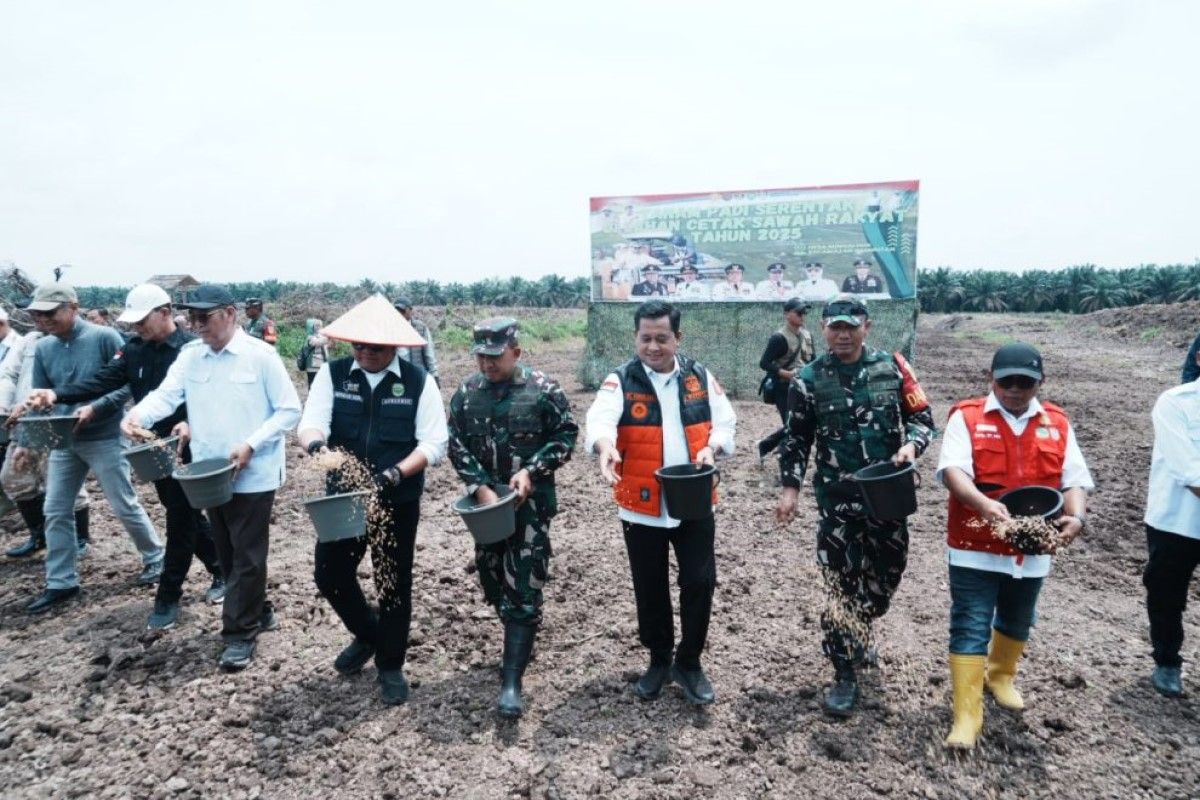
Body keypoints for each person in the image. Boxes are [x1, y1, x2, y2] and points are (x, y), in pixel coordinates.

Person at [25, 284, 227, 630]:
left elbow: (213, 395)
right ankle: (221, 571)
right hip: (152, 445)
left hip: (192, 445)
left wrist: (189, 422)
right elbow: (101, 381)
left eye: (142, 321)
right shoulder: (134, 350)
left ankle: (167, 596)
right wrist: (56, 394)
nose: (137, 329)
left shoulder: (191, 351)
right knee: (183, 513)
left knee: (180, 519)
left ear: (165, 313)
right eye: (132, 323)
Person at [123, 284, 301, 670]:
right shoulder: (191, 357)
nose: (197, 324)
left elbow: (289, 411)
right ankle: (260, 608)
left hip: (254, 471)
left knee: (248, 554)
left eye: (205, 317)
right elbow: (166, 395)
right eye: (193, 317)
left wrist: (252, 445)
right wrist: (138, 416)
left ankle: (239, 634)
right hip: (207, 471)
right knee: (227, 550)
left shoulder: (261, 356)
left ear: (230, 315)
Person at [775, 297, 936, 717]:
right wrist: (790, 490)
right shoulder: (808, 379)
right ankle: (843, 672)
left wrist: (911, 445)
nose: (842, 334)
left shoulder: (895, 367)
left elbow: (923, 419)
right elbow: (795, 440)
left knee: (885, 581)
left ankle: (863, 625)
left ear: (867, 326)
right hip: (838, 501)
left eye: (851, 326)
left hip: (888, 496)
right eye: (834, 327)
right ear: (825, 329)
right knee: (839, 586)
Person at [936, 342, 1092, 749]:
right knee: (970, 621)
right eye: (1007, 382)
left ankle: (1000, 675)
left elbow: (1074, 479)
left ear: (1040, 382)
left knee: (1019, 616)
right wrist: (985, 506)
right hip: (975, 541)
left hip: (1034, 548)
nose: (1016, 390)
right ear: (992, 379)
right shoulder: (967, 417)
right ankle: (967, 714)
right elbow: (953, 470)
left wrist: (1074, 517)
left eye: (1026, 382)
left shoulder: (1056, 422)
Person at [298, 294, 448, 705]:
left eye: (374, 348)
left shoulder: (419, 383)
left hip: (396, 498)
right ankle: (369, 634)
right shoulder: (334, 375)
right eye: (357, 346)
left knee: (393, 582)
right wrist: (317, 450)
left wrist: (396, 473)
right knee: (330, 574)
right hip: (344, 498)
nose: (364, 354)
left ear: (396, 347)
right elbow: (311, 424)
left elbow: (434, 443)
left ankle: (390, 664)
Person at [586, 300, 737, 706]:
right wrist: (606, 447)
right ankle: (658, 659)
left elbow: (725, 421)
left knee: (699, 581)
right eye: (645, 338)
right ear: (635, 337)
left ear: (677, 338)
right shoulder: (620, 379)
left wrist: (712, 447)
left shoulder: (699, 376)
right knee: (649, 586)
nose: (653, 347)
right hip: (641, 502)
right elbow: (600, 419)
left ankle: (689, 662)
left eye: (661, 338)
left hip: (694, 498)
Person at [446, 317, 578, 718]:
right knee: (491, 575)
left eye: (496, 357)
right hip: (486, 509)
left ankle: (511, 681)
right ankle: (516, 626)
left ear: (516, 352)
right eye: (481, 357)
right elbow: (454, 444)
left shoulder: (543, 390)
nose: (488, 364)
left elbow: (566, 435)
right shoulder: (466, 394)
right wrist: (480, 485)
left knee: (523, 583)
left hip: (530, 507)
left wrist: (532, 471)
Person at [16, 283, 164, 614]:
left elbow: (126, 385)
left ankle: (155, 558)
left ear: (73, 307)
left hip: (106, 436)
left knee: (122, 503)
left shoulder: (104, 338)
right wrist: (27, 443)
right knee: (55, 509)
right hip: (64, 441)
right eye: (38, 314)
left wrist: (95, 408)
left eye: (50, 312)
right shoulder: (44, 349)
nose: (44, 319)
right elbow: (41, 398)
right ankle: (61, 581)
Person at [0, 326, 91, 560]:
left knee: (61, 482)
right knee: (13, 478)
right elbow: (9, 375)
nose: (40, 319)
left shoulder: (77, 340)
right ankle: (39, 536)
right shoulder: (28, 341)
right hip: (24, 422)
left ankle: (80, 538)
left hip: (57, 420)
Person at [1142, 371, 1200, 697]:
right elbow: (1188, 469)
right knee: (1166, 593)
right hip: (1176, 521)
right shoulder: (1175, 403)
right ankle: (1167, 662)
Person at [755, 299, 815, 461]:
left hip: (804, 386)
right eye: (798, 312)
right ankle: (784, 458)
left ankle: (768, 446)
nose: (803, 316)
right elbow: (764, 363)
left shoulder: (807, 335)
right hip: (784, 388)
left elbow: (812, 360)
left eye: (804, 312)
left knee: (802, 423)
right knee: (792, 425)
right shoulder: (779, 338)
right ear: (787, 314)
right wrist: (786, 374)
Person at [392, 297, 440, 384]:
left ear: (410, 311)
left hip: (418, 375)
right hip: (397, 376)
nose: (399, 313)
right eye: (397, 310)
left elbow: (429, 354)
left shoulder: (421, 328)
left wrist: (434, 375)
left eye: (402, 310)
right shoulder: (390, 329)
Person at [298, 318, 329, 388]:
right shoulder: (310, 337)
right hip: (312, 367)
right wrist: (328, 338)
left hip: (322, 366)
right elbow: (316, 343)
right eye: (316, 326)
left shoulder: (323, 337)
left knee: (321, 386)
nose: (318, 327)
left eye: (320, 326)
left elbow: (329, 346)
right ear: (312, 327)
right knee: (312, 385)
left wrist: (331, 339)